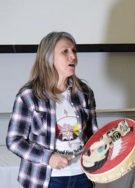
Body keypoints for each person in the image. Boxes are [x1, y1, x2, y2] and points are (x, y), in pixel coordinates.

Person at [6, 31, 98, 188]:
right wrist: (48, 157)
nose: (73, 57)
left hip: (82, 175)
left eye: (74, 51)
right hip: (46, 179)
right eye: (65, 51)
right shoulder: (28, 95)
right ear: (48, 58)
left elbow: (93, 136)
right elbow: (14, 141)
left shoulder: (84, 92)